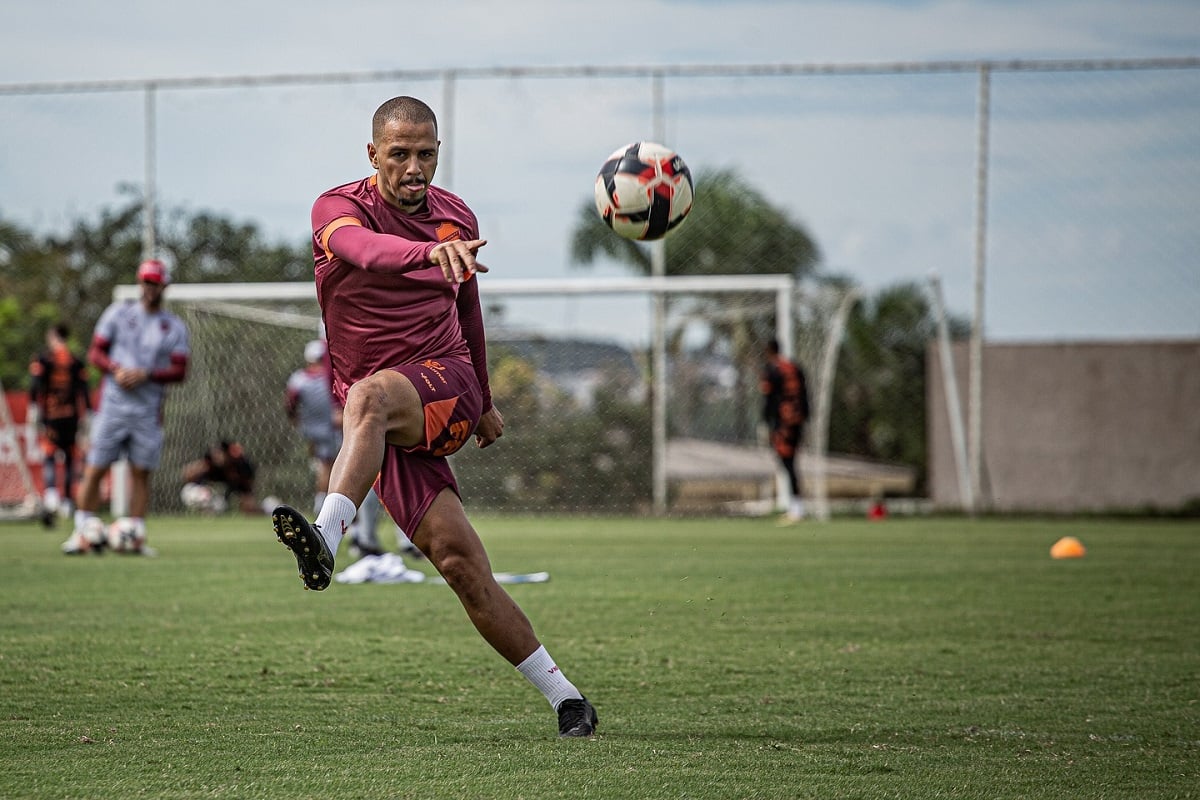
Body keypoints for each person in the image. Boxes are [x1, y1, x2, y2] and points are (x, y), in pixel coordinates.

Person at [270, 96, 597, 738]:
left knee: (365, 397)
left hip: (443, 381)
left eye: (427, 153)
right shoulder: (335, 211)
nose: (415, 168)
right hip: (387, 418)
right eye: (400, 154)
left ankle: (327, 537)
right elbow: (364, 252)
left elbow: (469, 313)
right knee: (459, 565)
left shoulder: (456, 219)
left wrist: (487, 401)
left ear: (439, 152)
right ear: (372, 155)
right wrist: (423, 257)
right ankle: (569, 700)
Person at [63, 258, 190, 554]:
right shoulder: (118, 313)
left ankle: (136, 535)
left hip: (148, 410)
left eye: (156, 283)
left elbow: (181, 370)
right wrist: (115, 368)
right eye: (146, 282)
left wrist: (147, 374)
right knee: (96, 468)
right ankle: (81, 532)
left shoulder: (173, 326)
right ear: (139, 283)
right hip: (112, 406)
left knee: (141, 472)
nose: (150, 288)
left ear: (164, 287)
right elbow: (95, 352)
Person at [28, 323, 92, 528]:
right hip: (71, 418)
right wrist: (88, 413)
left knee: (49, 454)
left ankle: (51, 496)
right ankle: (66, 501)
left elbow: (35, 385)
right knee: (70, 458)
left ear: (53, 336)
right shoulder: (76, 361)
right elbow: (84, 390)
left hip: (52, 416)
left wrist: (33, 408)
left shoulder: (44, 359)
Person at [285, 339, 341, 516]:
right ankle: (324, 506)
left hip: (312, 429)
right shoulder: (331, 377)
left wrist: (296, 420)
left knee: (324, 464)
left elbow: (290, 403)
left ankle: (323, 503)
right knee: (331, 465)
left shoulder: (298, 379)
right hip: (334, 427)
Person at [760, 338, 810, 523]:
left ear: (768, 351)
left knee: (787, 463)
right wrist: (805, 417)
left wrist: (767, 422)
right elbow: (804, 395)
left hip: (783, 422)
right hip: (797, 421)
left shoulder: (772, 370)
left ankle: (796, 510)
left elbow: (769, 399)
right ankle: (796, 507)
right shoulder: (795, 368)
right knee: (790, 463)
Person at [181, 439, 260, 514]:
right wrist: (200, 467)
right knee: (190, 491)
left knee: (223, 505)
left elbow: (247, 492)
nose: (217, 455)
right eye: (216, 452)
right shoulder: (208, 464)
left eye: (220, 453)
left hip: (221, 501)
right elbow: (186, 474)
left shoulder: (240, 469)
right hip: (205, 493)